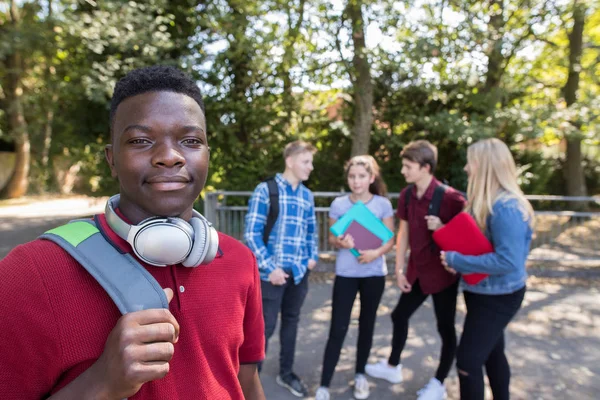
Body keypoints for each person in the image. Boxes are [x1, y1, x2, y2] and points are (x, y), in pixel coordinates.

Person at [0, 65, 266, 400]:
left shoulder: (240, 260)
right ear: (112, 160)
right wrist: (102, 382)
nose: (169, 156)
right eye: (141, 140)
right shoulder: (27, 274)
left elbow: (246, 379)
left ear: (207, 156)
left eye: (190, 140)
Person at [365, 140, 466, 400]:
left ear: (425, 167)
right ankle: (392, 367)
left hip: (444, 275)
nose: (403, 171)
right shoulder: (408, 195)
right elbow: (404, 232)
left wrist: (442, 227)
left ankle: (439, 383)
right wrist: (399, 270)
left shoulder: (453, 198)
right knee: (399, 316)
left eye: (408, 166)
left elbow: (467, 238)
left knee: (445, 328)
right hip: (417, 272)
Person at [440, 138, 533, 400]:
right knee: (492, 353)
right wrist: (456, 260)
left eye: (471, 162)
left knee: (468, 361)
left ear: (483, 165)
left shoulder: (506, 207)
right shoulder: (489, 202)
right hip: (483, 292)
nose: (467, 168)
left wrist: (457, 260)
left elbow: (508, 261)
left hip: (499, 296)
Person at [314, 155, 395, 400]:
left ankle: (360, 375)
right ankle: (324, 385)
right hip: (346, 274)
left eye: (361, 176)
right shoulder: (339, 204)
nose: (356, 181)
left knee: (367, 326)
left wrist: (375, 253)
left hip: (373, 273)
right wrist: (342, 241)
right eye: (352, 176)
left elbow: (390, 239)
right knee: (338, 327)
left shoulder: (382, 204)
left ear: (371, 178)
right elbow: (332, 238)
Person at [244, 140, 319, 398]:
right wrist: (270, 268)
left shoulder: (307, 195)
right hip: (270, 276)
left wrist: (312, 258)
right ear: (290, 161)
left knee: (292, 324)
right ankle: (250, 381)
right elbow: (252, 235)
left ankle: (286, 373)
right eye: (306, 161)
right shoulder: (266, 190)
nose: (311, 167)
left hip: (299, 274)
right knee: (263, 329)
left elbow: (312, 231)